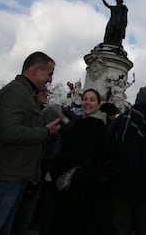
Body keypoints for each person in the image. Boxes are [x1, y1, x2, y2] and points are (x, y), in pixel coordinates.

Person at [0, 51, 60, 235]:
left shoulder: (26, 93)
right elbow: (7, 131)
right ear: (35, 70)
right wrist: (45, 132)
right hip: (8, 176)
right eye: (49, 74)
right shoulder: (17, 92)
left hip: (16, 175)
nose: (50, 80)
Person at [49, 88, 107, 235]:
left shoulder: (89, 126)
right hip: (84, 184)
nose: (87, 102)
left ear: (99, 105)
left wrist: (53, 168)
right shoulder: (96, 125)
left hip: (77, 184)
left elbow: (73, 154)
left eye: (92, 100)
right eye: (85, 99)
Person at [110, 85, 146, 235]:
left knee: (122, 222)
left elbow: (115, 145)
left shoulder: (127, 117)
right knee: (144, 222)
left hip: (124, 178)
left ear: (137, 98)